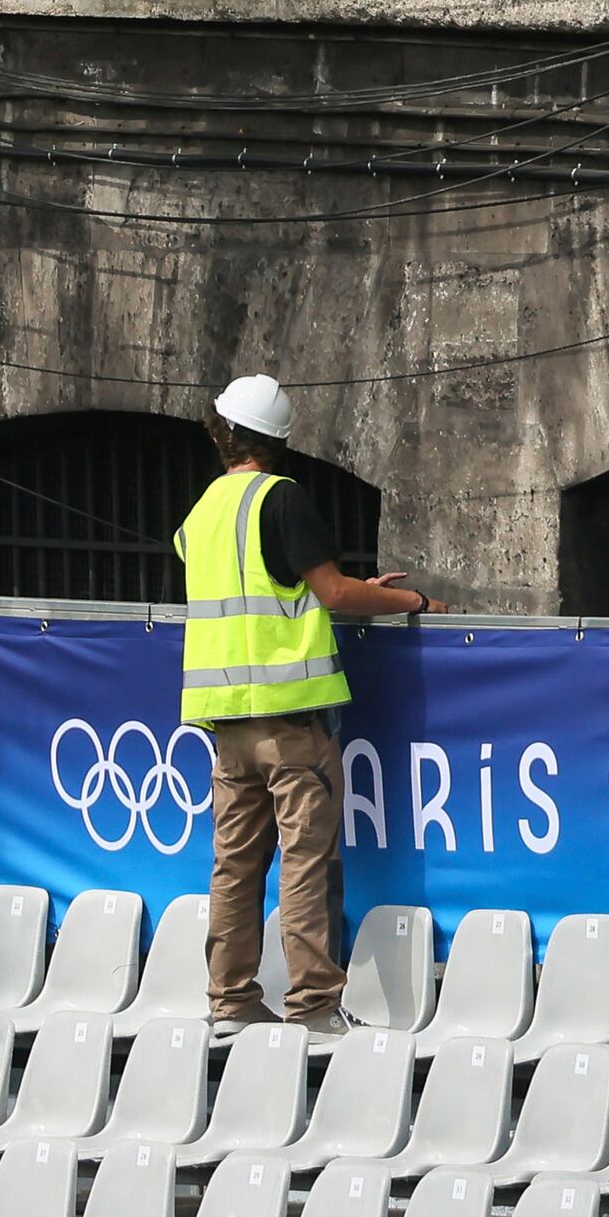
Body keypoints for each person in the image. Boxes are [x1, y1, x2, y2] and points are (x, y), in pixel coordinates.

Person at [179, 372, 426, 1033]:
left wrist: (344, 584)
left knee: (234, 867)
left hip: (225, 722)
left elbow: (265, 588)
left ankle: (229, 1001)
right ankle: (314, 1006)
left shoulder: (202, 512)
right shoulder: (281, 499)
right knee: (305, 861)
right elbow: (333, 595)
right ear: (278, 441)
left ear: (224, 433)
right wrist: (410, 601)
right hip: (290, 722)